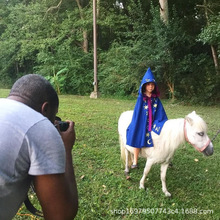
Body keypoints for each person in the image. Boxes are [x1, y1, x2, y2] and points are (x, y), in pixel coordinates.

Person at [0, 74, 78, 220]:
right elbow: (60, 216)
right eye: (53, 117)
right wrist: (66, 148)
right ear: (45, 109)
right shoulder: (41, 125)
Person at [126, 68, 168, 168]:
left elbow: (160, 111)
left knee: (162, 133)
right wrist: (139, 123)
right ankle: (135, 161)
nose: (150, 87)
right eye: (148, 85)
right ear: (144, 85)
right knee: (137, 134)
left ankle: (164, 156)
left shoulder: (155, 98)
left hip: (153, 121)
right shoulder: (141, 98)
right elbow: (138, 113)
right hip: (141, 122)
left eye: (152, 85)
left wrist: (160, 121)